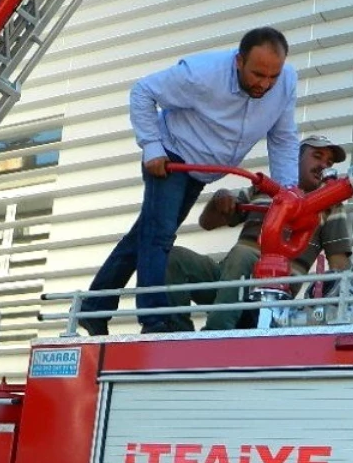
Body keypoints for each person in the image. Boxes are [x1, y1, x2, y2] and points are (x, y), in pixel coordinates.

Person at [79, 28, 300, 335]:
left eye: (272, 76)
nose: (264, 84)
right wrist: (152, 148)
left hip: (200, 169)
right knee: (158, 238)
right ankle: (155, 321)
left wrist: (288, 190)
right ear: (238, 61)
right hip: (171, 158)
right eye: (257, 74)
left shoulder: (286, 84)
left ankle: (93, 309)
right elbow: (143, 91)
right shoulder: (201, 74)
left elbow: (283, 137)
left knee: (144, 235)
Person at [165, 135, 351, 332]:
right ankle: (175, 334)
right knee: (172, 257)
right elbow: (207, 223)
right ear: (294, 157)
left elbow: (339, 267)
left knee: (243, 254)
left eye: (329, 162)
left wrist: (319, 311)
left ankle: (216, 334)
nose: (324, 165)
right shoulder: (264, 189)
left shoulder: (331, 206)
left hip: (274, 295)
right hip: (229, 281)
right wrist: (219, 199)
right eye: (317, 156)